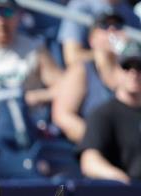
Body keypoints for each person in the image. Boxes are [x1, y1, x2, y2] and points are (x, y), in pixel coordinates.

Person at [52, 11, 123, 144]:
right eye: (104, 26)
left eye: (118, 26)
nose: (112, 31)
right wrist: (100, 141)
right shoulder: (82, 70)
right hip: (90, 150)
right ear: (92, 39)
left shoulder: (131, 72)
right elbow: (62, 116)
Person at [79, 41, 141, 183]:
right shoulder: (103, 113)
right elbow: (89, 161)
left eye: (139, 67)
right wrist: (121, 179)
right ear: (116, 71)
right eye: (127, 67)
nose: (134, 73)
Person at [57, 0, 140, 66]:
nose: (112, 30)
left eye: (116, 26)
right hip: (90, 79)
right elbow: (72, 57)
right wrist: (107, 53)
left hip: (122, 78)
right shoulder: (80, 6)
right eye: (105, 26)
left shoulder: (131, 15)